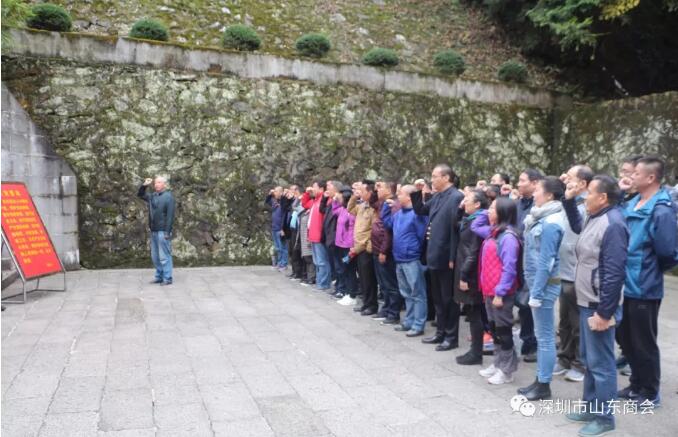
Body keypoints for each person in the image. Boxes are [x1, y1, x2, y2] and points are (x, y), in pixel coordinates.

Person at [563, 174, 629, 437]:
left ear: (602, 197)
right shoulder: (595, 216)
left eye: (589, 192)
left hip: (599, 305)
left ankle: (605, 417)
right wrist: (568, 201)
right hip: (586, 300)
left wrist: (604, 312)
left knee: (601, 364)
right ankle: (591, 407)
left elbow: (614, 273)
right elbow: (577, 226)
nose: (584, 196)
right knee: (590, 360)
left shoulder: (613, 224)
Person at [617, 156, 677, 406]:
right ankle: (636, 384)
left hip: (644, 286)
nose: (630, 177)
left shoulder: (661, 209)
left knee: (644, 342)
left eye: (636, 173)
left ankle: (650, 392)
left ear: (651, 178)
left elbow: (668, 252)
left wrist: (650, 269)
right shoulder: (633, 202)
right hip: (625, 284)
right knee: (625, 337)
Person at [518, 176, 566, 401]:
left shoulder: (551, 222)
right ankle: (539, 380)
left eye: (537, 190)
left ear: (549, 195)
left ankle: (544, 385)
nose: (534, 193)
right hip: (537, 283)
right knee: (541, 335)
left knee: (545, 337)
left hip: (544, 287)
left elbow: (546, 261)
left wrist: (536, 294)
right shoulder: (541, 217)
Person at [411, 164, 464, 351]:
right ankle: (440, 332)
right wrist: (418, 192)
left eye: (435, 176)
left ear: (446, 178)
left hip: (446, 255)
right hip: (433, 253)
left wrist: (452, 257)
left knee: (449, 299)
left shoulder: (456, 197)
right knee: (438, 298)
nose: (432, 179)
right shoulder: (438, 196)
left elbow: (455, 230)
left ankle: (451, 336)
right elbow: (421, 210)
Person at [472, 197, 521, 385]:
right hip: (488, 290)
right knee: (494, 329)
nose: (488, 211)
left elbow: (509, 268)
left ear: (502, 212)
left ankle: (506, 370)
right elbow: (475, 225)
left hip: (501, 294)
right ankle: (498, 362)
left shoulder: (508, 237)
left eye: (492, 208)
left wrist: (500, 292)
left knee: (503, 331)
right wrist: (486, 212)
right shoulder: (493, 232)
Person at [554, 165, 593, 383]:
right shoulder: (569, 200)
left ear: (583, 183)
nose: (566, 180)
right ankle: (564, 358)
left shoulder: (589, 204)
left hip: (577, 271)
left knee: (578, 322)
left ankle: (580, 362)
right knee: (565, 321)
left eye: (570, 177)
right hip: (564, 269)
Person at [381, 185, 429, 337]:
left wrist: (413, 250)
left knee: (417, 293)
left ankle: (418, 324)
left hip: (412, 259)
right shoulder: (399, 213)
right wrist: (386, 208)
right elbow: (387, 224)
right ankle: (409, 321)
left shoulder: (418, 214)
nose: (397, 197)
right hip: (400, 259)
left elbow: (421, 236)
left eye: (400, 194)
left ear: (409, 197)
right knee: (406, 293)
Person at [455, 189, 490, 365]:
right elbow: (455, 225)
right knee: (475, 311)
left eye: (467, 199)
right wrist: (460, 209)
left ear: (477, 204)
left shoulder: (479, 222)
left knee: (475, 312)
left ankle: (476, 353)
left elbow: (473, 252)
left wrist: (464, 275)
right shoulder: (470, 219)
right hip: (468, 269)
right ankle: (476, 349)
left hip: (472, 274)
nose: (464, 201)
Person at [515, 168, 544, 362]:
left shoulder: (542, 206)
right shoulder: (517, 204)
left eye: (522, 180)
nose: (518, 184)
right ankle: (527, 339)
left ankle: (534, 343)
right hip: (516, 259)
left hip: (533, 262)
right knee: (521, 303)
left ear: (534, 183)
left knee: (531, 303)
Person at [370, 181, 404, 324]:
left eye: (380, 187)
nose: (377, 190)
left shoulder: (392, 205)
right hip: (378, 248)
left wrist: (383, 250)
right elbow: (372, 202)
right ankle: (386, 309)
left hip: (385, 250)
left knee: (390, 284)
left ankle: (393, 313)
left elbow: (388, 231)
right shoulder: (383, 203)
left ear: (389, 190)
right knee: (384, 283)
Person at [137, 176, 176, 285]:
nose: (156, 185)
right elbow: (140, 195)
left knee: (164, 256)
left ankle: (167, 278)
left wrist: (167, 232)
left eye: (159, 182)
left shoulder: (169, 197)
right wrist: (144, 185)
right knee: (155, 257)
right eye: (155, 183)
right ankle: (159, 276)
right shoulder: (152, 196)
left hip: (163, 231)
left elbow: (170, 216)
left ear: (164, 184)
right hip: (154, 230)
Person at [348, 180, 379, 315]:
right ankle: (366, 302)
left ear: (370, 192)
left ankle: (371, 305)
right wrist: (354, 197)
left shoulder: (373, 208)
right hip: (358, 247)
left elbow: (372, 230)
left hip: (366, 248)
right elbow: (350, 209)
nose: (360, 193)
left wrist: (362, 247)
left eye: (362, 191)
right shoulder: (361, 206)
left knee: (369, 279)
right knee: (362, 278)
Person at [301, 181, 332, 291]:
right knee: (317, 261)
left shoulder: (325, 200)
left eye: (314, 187)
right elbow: (304, 204)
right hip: (313, 236)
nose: (312, 189)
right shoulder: (314, 201)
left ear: (321, 189)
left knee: (322, 261)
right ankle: (320, 282)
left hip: (319, 236)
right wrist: (307, 193)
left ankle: (324, 283)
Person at [332, 188, 358, 303]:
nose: (340, 199)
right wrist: (335, 200)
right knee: (344, 269)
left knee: (350, 270)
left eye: (341, 198)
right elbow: (334, 211)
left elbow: (353, 229)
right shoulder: (342, 209)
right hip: (340, 244)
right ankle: (347, 292)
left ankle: (351, 294)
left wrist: (352, 244)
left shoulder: (352, 212)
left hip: (348, 245)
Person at [319, 181, 344, 296]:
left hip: (335, 238)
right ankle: (338, 287)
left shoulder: (339, 202)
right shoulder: (331, 202)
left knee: (339, 266)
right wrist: (324, 199)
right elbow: (322, 210)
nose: (327, 189)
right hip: (329, 238)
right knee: (334, 265)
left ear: (336, 189)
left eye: (329, 187)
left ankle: (341, 289)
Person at [265, 186, 289, 271]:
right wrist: (269, 194)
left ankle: (284, 264)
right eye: (274, 191)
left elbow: (284, 215)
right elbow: (267, 202)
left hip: (280, 228)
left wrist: (283, 228)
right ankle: (279, 263)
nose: (274, 193)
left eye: (276, 191)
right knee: (278, 248)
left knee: (283, 247)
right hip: (274, 228)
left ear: (280, 192)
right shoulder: (274, 201)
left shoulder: (284, 201)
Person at [284, 186, 304, 280]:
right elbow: (287, 207)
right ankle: (294, 271)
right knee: (291, 251)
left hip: (297, 229)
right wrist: (289, 198)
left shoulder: (301, 201)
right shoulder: (295, 200)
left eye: (294, 191)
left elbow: (295, 207)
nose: (292, 193)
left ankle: (298, 272)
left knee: (296, 251)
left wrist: (297, 198)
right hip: (292, 229)